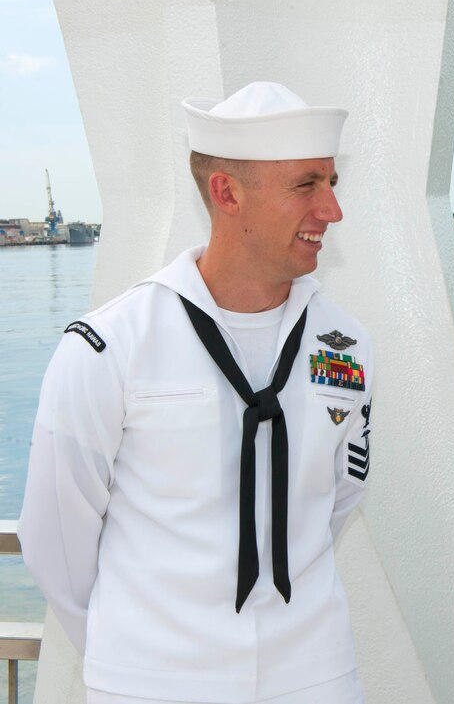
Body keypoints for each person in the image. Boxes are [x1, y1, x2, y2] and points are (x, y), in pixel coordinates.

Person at [19, 82, 374, 704]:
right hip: (153, 687)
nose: (331, 210)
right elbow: (54, 539)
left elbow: (335, 499)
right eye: (306, 185)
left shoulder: (343, 345)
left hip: (315, 679)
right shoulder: (110, 347)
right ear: (226, 192)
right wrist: (142, 656)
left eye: (332, 183)